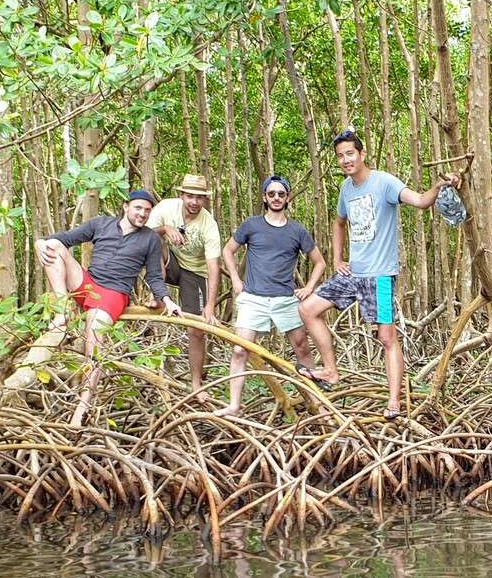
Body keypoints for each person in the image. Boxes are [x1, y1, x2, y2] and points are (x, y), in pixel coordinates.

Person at [298, 131, 460, 419]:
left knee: (387, 337)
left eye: (350, 153)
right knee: (308, 308)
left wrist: (439, 187)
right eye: (340, 156)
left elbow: (421, 201)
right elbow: (339, 223)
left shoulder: (384, 182)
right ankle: (331, 370)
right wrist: (337, 258)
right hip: (353, 273)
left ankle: (394, 401)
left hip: (380, 276)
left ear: (361, 154)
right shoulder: (346, 190)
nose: (345, 160)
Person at [35, 189, 181, 426]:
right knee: (52, 245)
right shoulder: (101, 224)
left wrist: (166, 300)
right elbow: (65, 238)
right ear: (126, 207)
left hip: (114, 294)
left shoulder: (150, 239)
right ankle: (61, 311)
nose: (142, 214)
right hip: (88, 285)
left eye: (147, 210)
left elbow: (155, 276)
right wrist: (40, 242)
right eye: (138, 208)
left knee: (94, 344)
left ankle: (82, 409)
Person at [215, 174, 326, 419]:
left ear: (287, 199)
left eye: (281, 194)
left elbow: (319, 262)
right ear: (265, 197)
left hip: (285, 299)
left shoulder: (297, 230)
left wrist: (308, 287)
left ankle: (319, 405)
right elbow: (227, 250)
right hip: (253, 298)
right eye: (272, 194)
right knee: (240, 351)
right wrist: (235, 280)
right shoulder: (251, 225)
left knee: (302, 348)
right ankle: (234, 406)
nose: (276, 198)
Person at [147, 173, 222, 404]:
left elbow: (213, 267)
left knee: (196, 330)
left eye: (199, 198)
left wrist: (210, 306)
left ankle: (196, 384)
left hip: (196, 273)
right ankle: (158, 296)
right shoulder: (166, 208)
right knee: (152, 240)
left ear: (205, 200)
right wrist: (164, 229)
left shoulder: (209, 225)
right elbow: (142, 238)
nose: (194, 202)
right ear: (182, 195)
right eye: (190, 196)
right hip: (170, 264)